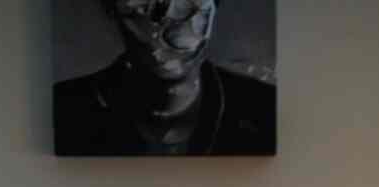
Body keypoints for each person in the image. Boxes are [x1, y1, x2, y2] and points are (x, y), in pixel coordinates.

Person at [53, 0, 276, 157]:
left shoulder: (265, 110)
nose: (170, 24)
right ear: (112, 9)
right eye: (144, 3)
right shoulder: (65, 110)